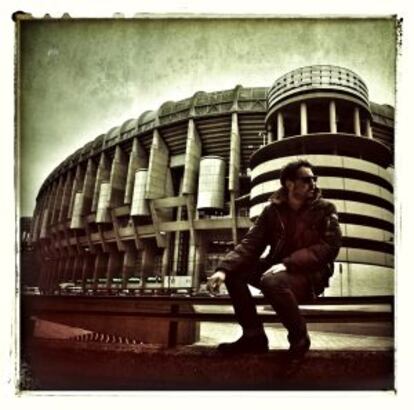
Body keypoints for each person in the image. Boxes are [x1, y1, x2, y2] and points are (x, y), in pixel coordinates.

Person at [207, 159, 342, 358]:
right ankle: (254, 337)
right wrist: (223, 269)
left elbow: (329, 247)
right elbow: (251, 243)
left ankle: (299, 338)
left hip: (311, 275)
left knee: (271, 281)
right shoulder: (272, 211)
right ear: (289, 183)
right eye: (306, 180)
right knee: (235, 274)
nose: (313, 184)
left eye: (314, 179)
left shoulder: (325, 209)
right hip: (277, 270)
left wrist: (288, 264)